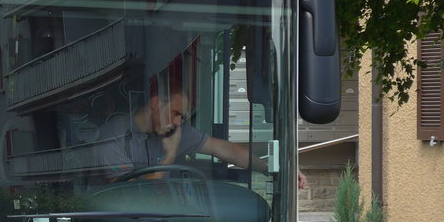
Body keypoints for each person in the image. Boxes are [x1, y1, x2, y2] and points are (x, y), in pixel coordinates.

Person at [99, 83, 304, 186]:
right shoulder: (112, 136)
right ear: (155, 103)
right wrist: (169, 156)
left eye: (182, 117)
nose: (179, 122)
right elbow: (126, 193)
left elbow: (226, 150)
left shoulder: (174, 130)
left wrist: (275, 169)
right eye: (176, 113)